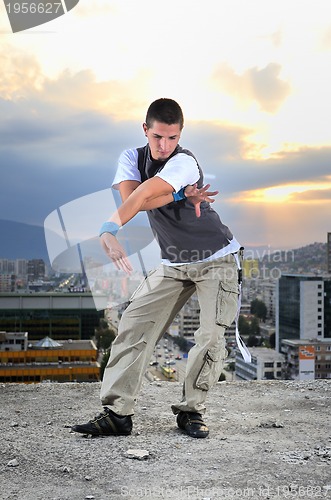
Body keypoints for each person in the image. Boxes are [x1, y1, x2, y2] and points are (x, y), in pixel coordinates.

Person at [72, 98, 242, 439]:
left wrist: (109, 229)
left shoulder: (185, 163)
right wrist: (179, 197)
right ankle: (118, 414)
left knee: (209, 336)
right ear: (145, 130)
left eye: (172, 138)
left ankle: (191, 411)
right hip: (173, 262)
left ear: (180, 136)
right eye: (158, 137)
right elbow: (132, 199)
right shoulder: (130, 158)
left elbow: (147, 193)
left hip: (216, 258)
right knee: (133, 325)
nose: (164, 146)